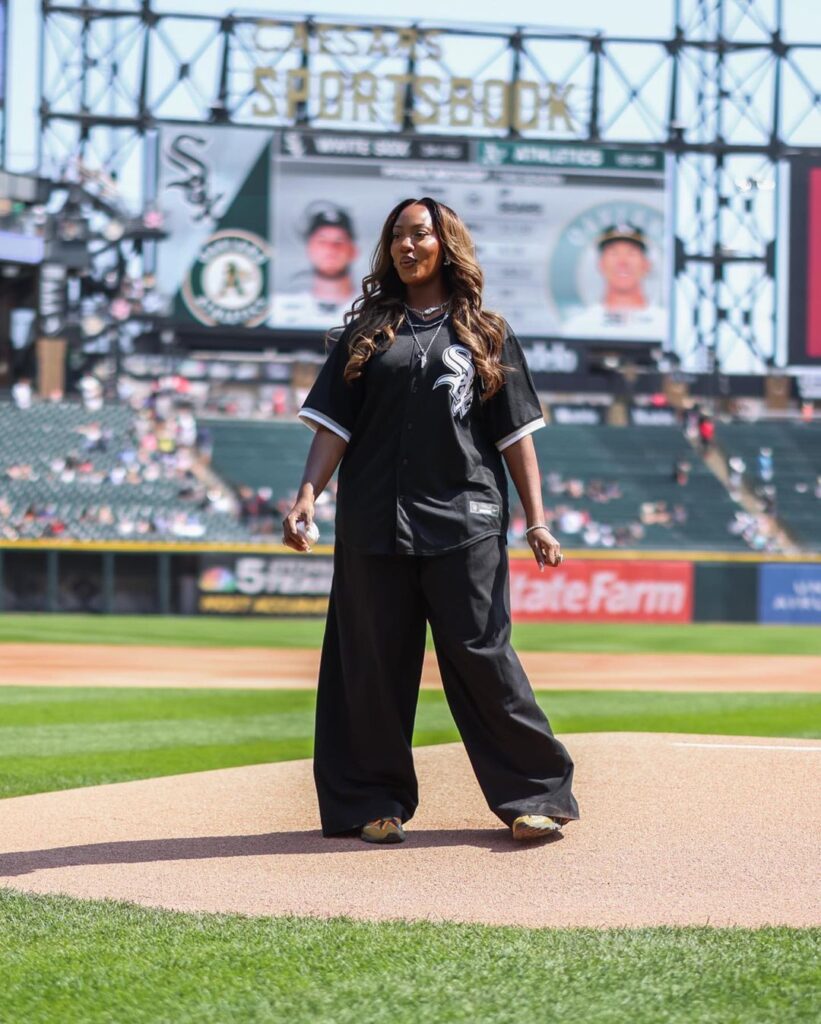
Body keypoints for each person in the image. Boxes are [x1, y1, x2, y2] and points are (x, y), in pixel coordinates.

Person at [283, 196, 579, 846]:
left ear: (446, 244)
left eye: (419, 234)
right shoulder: (363, 333)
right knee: (370, 663)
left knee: (480, 654)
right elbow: (332, 428)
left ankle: (534, 797)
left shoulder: (486, 334)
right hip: (372, 524)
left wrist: (536, 520)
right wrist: (307, 494)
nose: (407, 245)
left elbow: (515, 438)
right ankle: (371, 802)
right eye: (396, 236)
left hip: (466, 519)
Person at [562, 223, 666, 340]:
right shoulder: (578, 328)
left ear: (646, 264)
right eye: (613, 253)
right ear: (600, 264)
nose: (622, 262)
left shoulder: (666, 327)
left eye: (632, 253)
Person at [272, 201, 359, 329]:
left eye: (339, 241)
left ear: (353, 251)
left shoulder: (373, 310)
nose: (330, 249)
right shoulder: (280, 309)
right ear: (309, 248)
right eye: (322, 241)